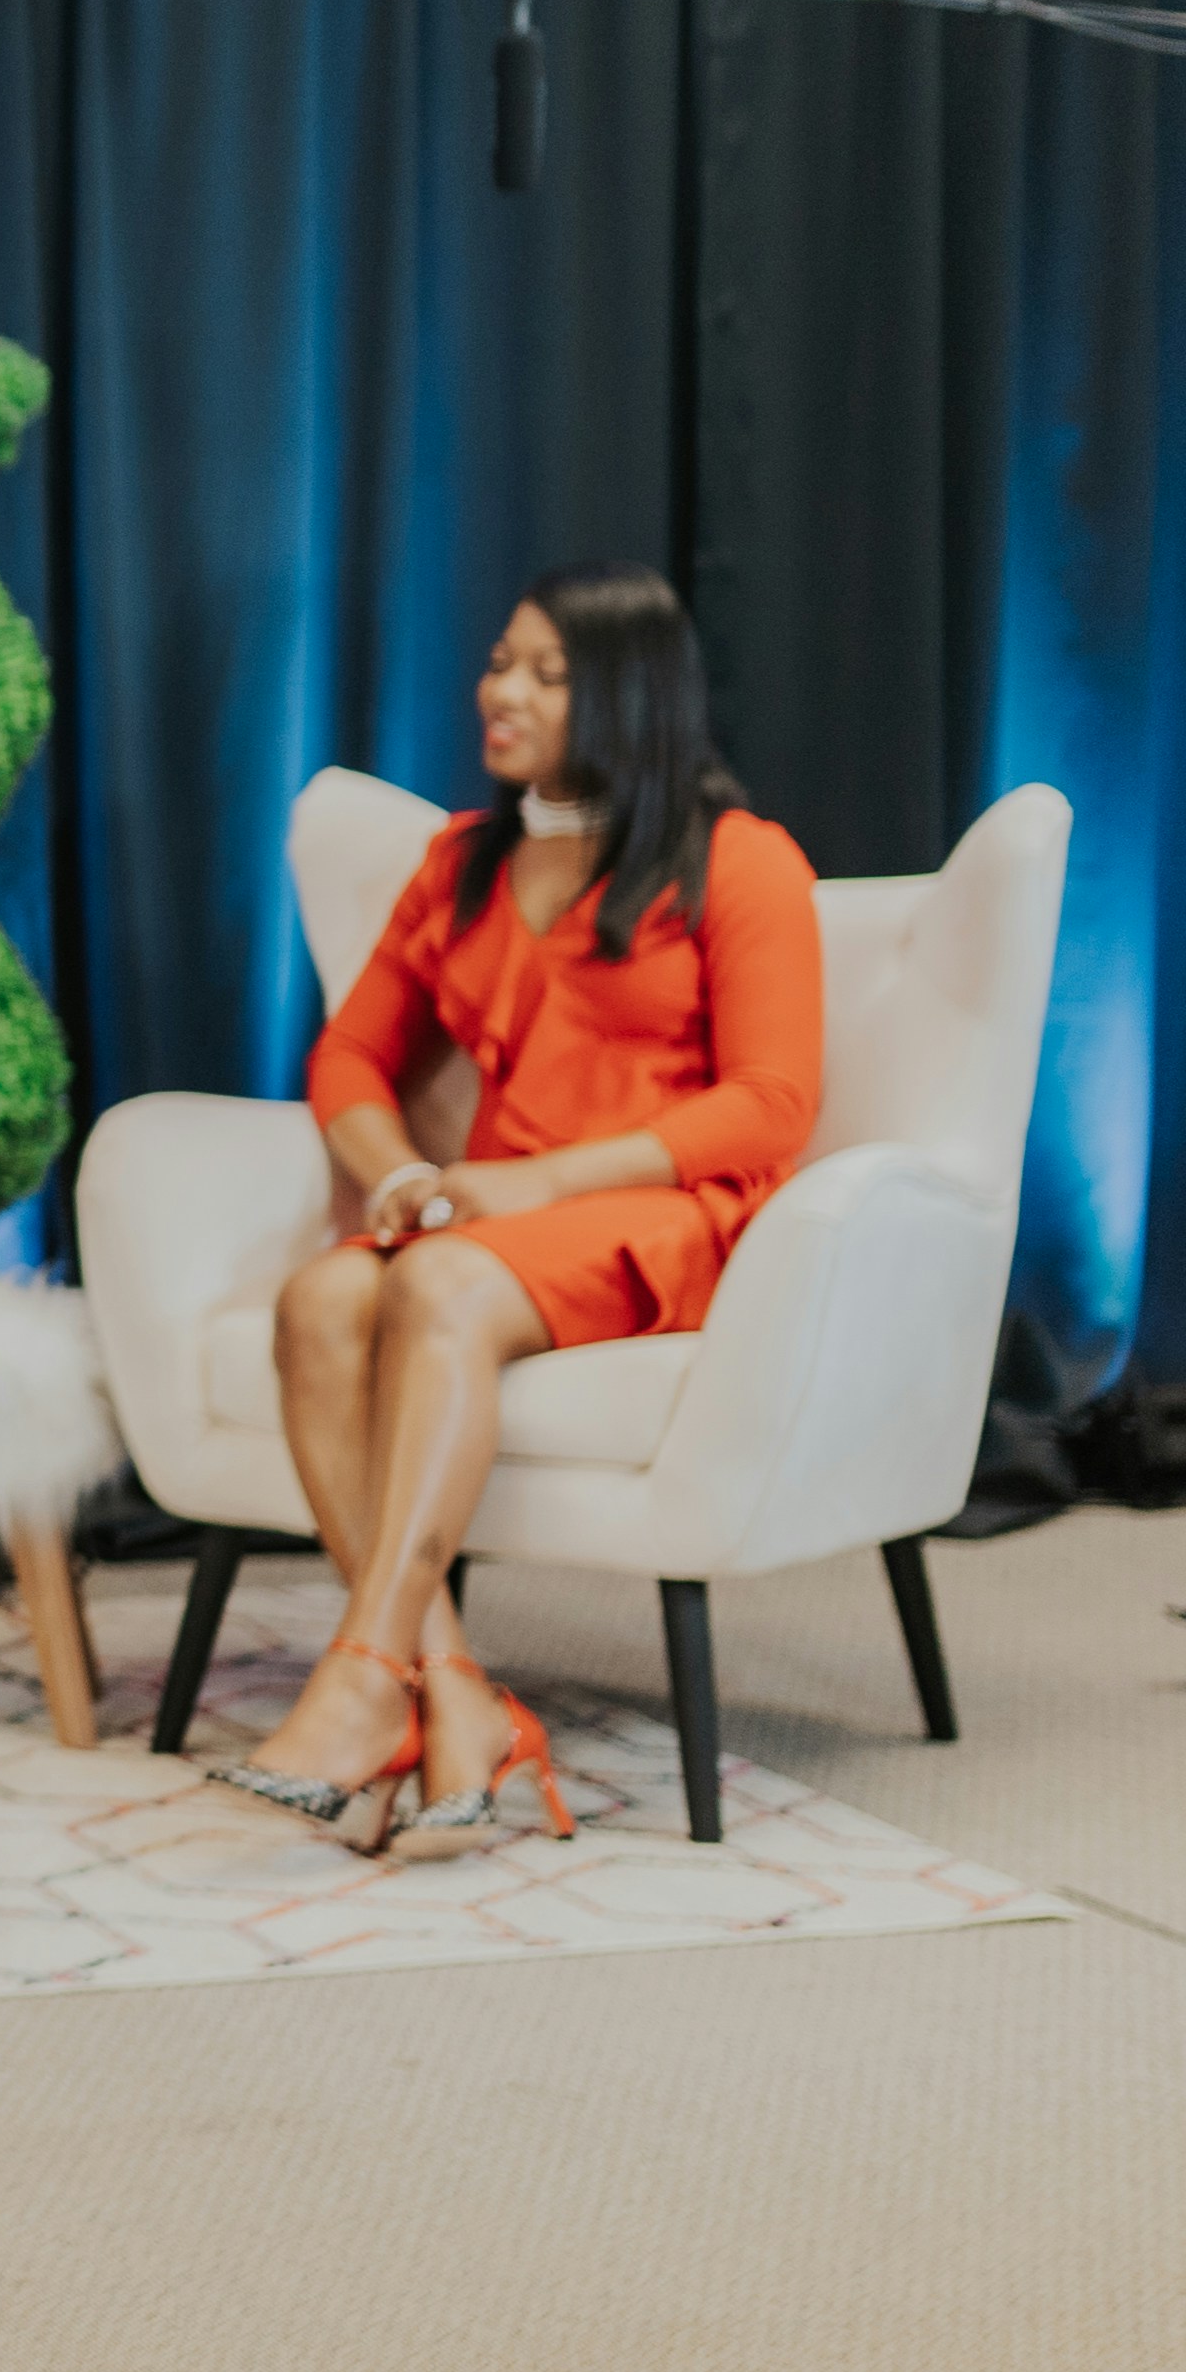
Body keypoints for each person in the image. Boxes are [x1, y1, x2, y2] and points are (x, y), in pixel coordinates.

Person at [214, 560, 822, 1854]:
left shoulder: (739, 862)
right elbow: (349, 1061)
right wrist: (394, 1172)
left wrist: (542, 1181)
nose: (503, 691)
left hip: (663, 1218)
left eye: (547, 674)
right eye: (502, 662)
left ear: (629, 698)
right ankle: (454, 1691)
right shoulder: (466, 861)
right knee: (323, 1296)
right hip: (489, 1223)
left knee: (432, 1284)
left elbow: (773, 1103)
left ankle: (366, 1668)